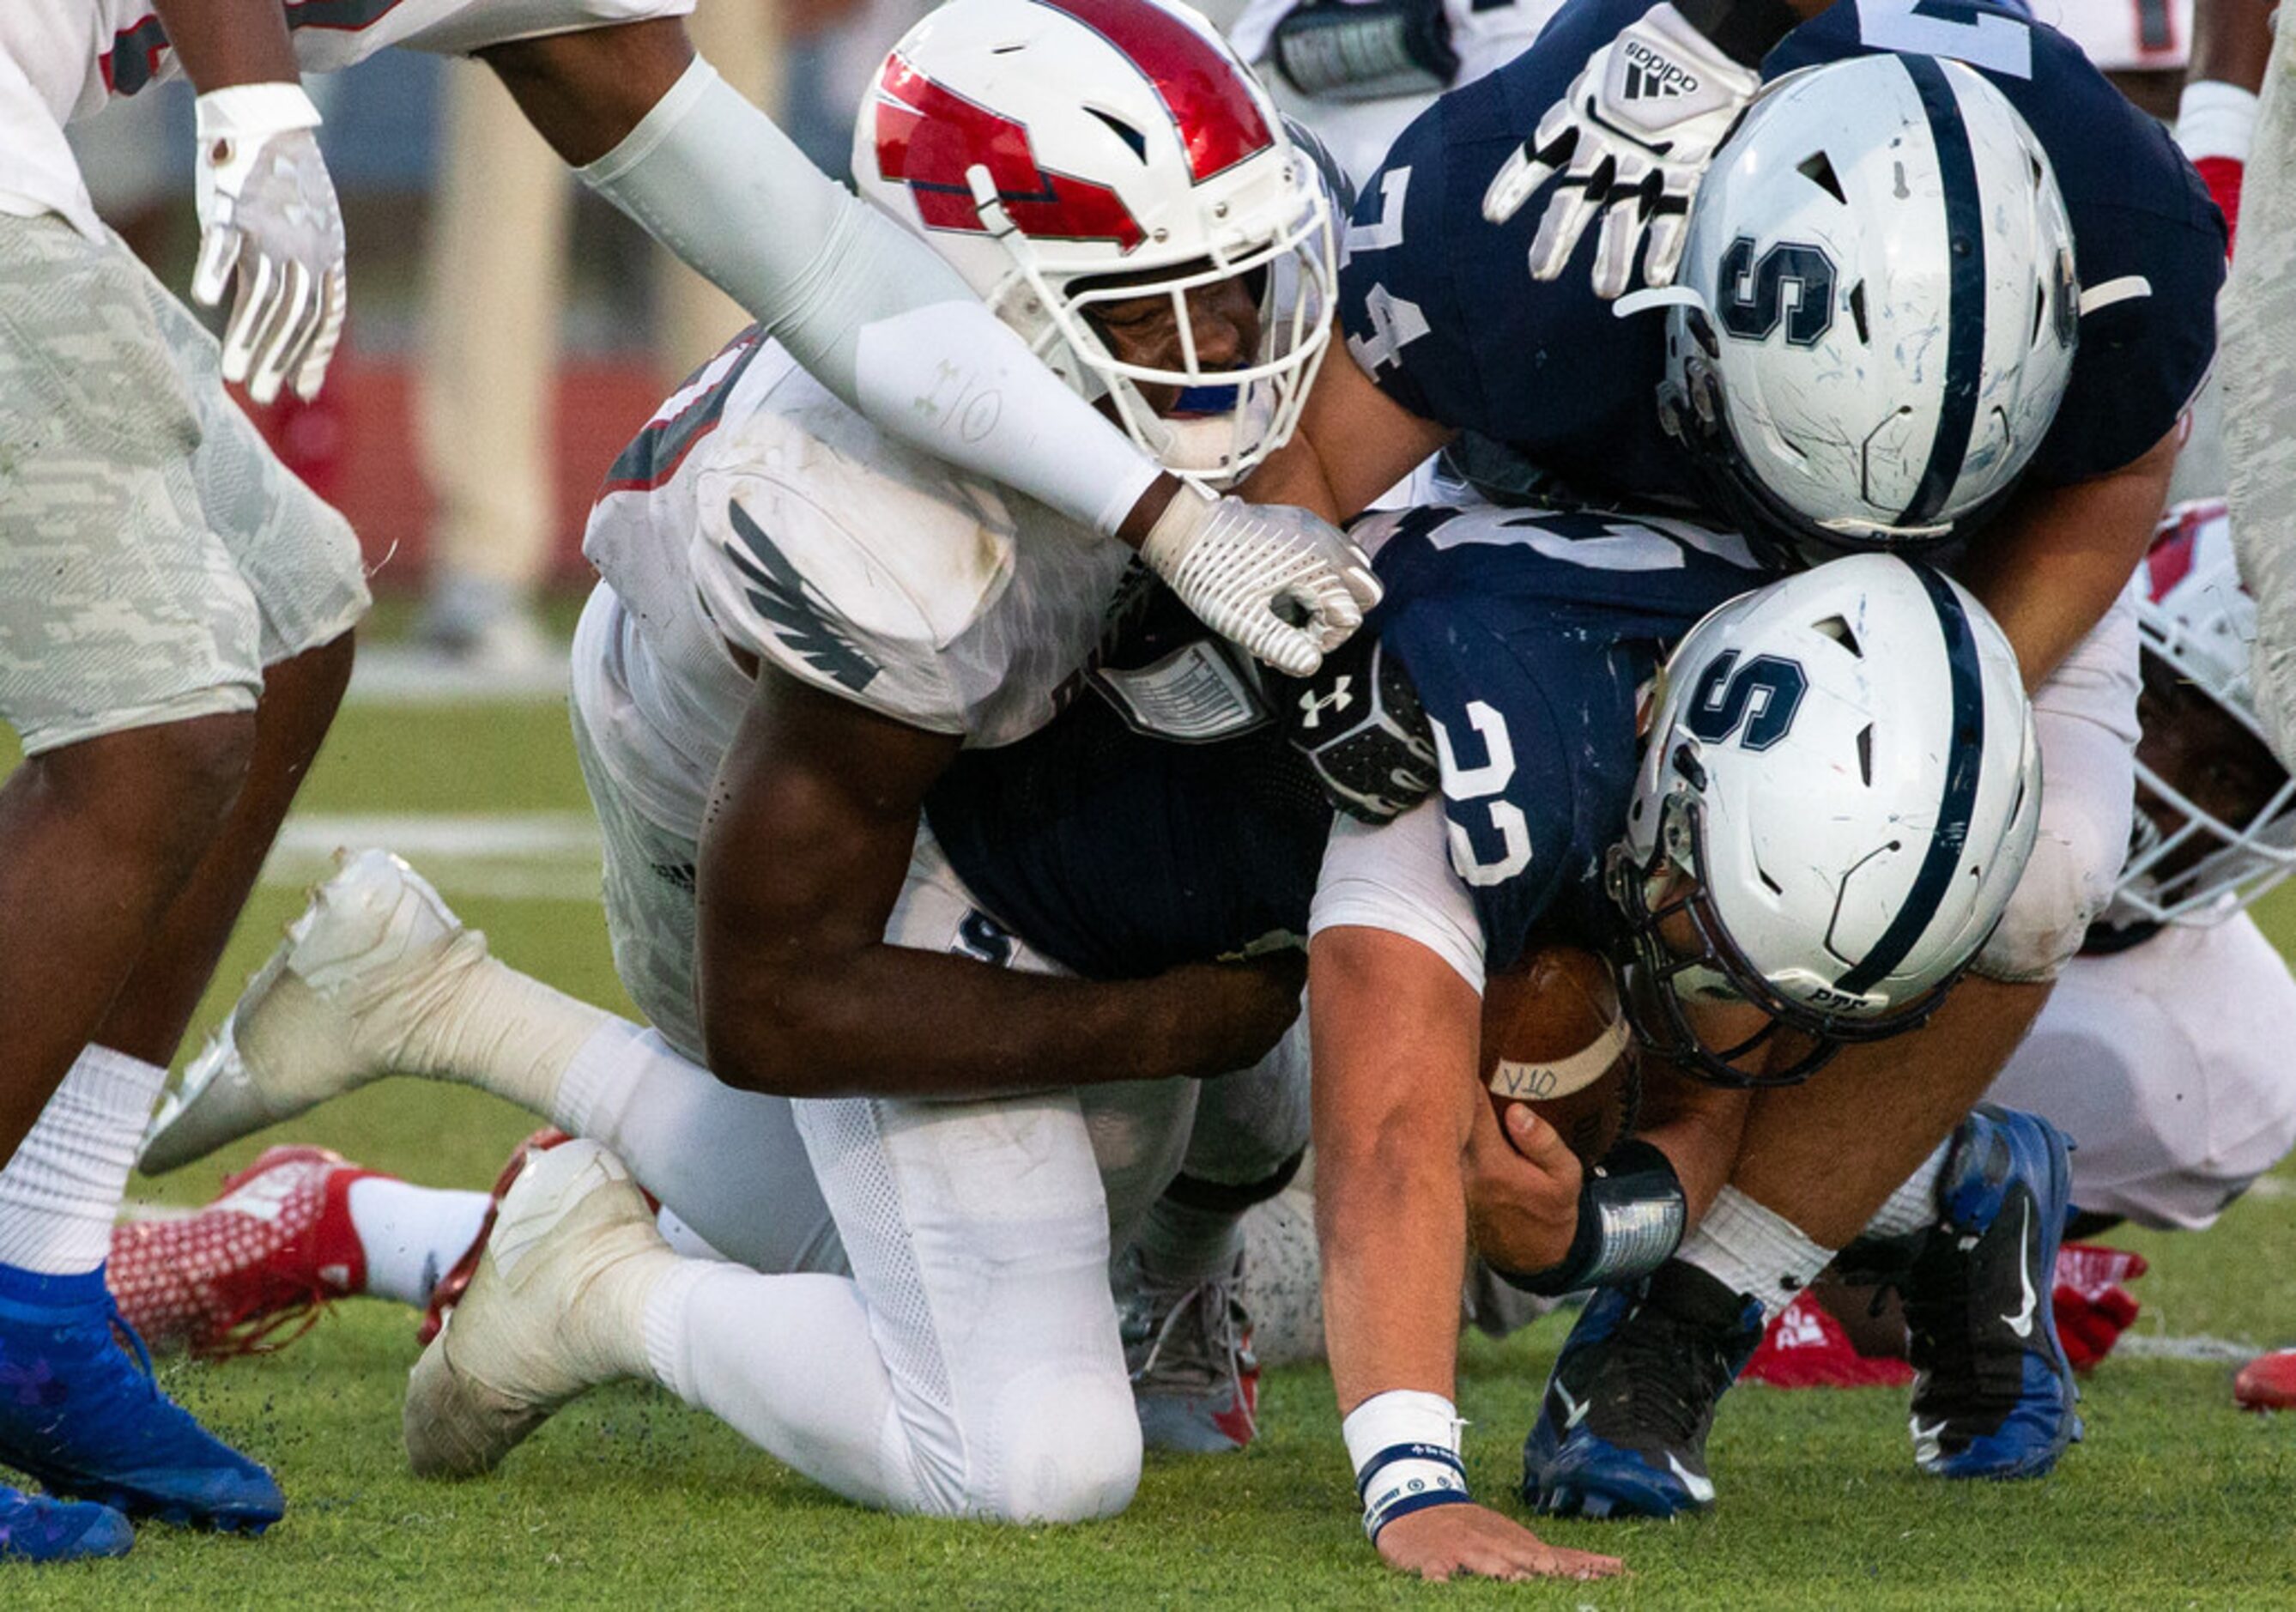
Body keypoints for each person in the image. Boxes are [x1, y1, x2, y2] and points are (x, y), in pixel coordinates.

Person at [142, 0, 1339, 1527]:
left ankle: (442, 1001)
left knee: (1243, 1046)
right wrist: (1163, 1020)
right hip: (785, 825)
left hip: (982, 763)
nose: (1237, 343)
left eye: (1242, 288)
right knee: (1034, 1443)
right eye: (1170, 311)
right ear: (1001, 308)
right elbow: (779, 1004)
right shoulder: (883, 529)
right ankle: (602, 1290)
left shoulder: (1021, 386)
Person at [1237, 2, 2221, 1538]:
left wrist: (1933, 725)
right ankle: (1929, 1187)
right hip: (1599, 513)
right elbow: (1291, 494)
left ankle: (1678, 1336)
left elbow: (2115, 478)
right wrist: (1321, 687)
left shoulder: (2126, 221)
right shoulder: (1541, 213)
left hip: (1976, 567)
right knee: (1496, 967)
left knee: (2012, 873)